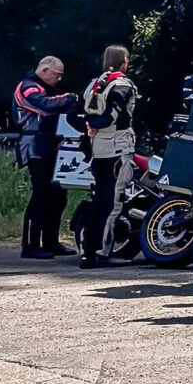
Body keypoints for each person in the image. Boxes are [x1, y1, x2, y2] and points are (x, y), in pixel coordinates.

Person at [78, 45, 141, 268]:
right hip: (118, 148)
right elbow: (114, 115)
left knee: (99, 201)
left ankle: (88, 251)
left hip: (98, 149)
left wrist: (89, 126)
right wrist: (97, 123)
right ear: (124, 60)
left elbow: (77, 113)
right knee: (113, 204)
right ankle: (100, 252)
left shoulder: (95, 83)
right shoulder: (122, 84)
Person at [14, 55, 78, 259]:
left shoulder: (47, 89)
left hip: (50, 145)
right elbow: (45, 106)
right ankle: (30, 245)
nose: (59, 79)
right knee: (40, 194)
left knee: (58, 194)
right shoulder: (28, 86)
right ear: (44, 70)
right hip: (34, 145)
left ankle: (51, 241)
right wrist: (69, 98)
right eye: (56, 75)